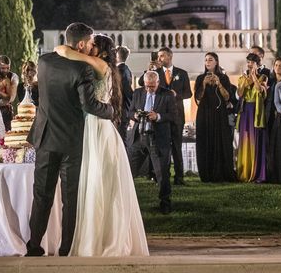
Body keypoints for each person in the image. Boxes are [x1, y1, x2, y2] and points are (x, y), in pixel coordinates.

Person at [54, 33, 148, 256]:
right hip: (98, 125)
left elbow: (64, 51)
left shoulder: (100, 64)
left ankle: (100, 238)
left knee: (97, 179)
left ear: (102, 50)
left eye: (93, 45)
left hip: (96, 126)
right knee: (100, 179)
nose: (89, 48)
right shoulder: (107, 67)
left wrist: (65, 48)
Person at [26, 22, 114, 257]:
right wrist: (111, 111)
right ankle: (66, 249)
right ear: (82, 44)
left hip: (44, 137)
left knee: (41, 196)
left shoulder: (43, 62)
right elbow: (90, 105)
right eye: (91, 43)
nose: (92, 47)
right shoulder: (81, 69)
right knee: (70, 199)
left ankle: (33, 245)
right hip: (70, 141)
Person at [140, 47, 192, 186]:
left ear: (170, 56)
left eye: (162, 56)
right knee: (161, 148)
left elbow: (189, 93)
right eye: (158, 56)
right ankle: (161, 176)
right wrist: (148, 70)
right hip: (161, 117)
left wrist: (177, 95)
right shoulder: (155, 73)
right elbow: (141, 83)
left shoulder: (182, 73)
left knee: (176, 147)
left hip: (177, 116)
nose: (159, 59)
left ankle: (179, 178)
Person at [129, 70, 175, 214]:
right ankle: (126, 202)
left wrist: (158, 116)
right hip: (139, 138)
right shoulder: (137, 93)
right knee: (129, 170)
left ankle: (165, 203)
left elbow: (174, 116)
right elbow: (129, 112)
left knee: (162, 173)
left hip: (158, 138)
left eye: (152, 86)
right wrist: (135, 115)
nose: (149, 89)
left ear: (158, 83)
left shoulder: (167, 95)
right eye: (147, 86)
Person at [194, 52, 235, 182]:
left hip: (219, 113)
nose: (208, 62)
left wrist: (219, 84)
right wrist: (204, 85)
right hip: (204, 114)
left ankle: (221, 172)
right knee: (205, 141)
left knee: (221, 140)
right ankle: (206, 173)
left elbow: (227, 97)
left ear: (216, 62)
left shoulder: (223, 78)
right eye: (206, 60)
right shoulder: (200, 78)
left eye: (210, 60)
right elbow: (198, 98)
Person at [236, 52, 268, 183]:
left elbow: (260, 90)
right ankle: (245, 171)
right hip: (245, 112)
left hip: (256, 112)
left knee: (256, 141)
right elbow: (239, 93)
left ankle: (257, 173)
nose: (249, 65)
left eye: (252, 62)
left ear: (257, 64)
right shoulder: (242, 78)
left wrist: (254, 77)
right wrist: (245, 81)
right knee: (245, 140)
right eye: (248, 62)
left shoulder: (264, 77)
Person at [116, 46, 133, 146]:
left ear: (117, 56)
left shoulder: (121, 70)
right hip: (123, 109)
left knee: (121, 140)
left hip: (121, 110)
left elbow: (127, 90)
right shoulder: (126, 69)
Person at [265, 56, 281, 141]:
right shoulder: (270, 80)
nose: (278, 67)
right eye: (276, 65)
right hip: (269, 114)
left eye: (280, 65)